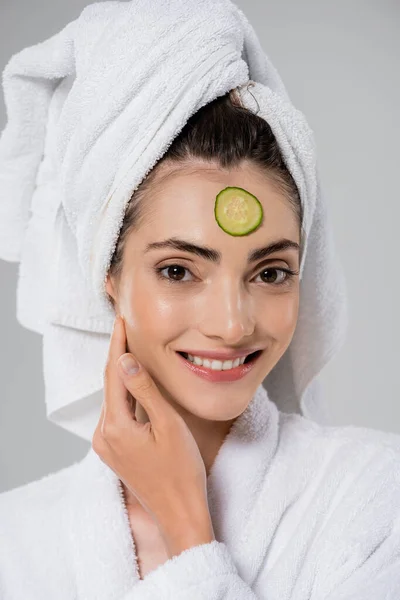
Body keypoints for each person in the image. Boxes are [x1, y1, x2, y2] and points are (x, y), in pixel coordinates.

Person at [0, 1, 399, 598]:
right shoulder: (16, 544)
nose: (232, 325)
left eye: (270, 273)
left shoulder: (375, 498)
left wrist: (187, 528)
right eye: (179, 270)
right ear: (107, 278)